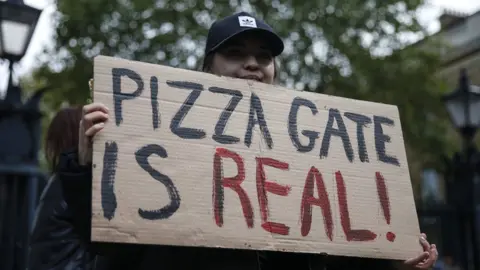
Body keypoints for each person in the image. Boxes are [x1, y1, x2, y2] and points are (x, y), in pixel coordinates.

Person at [30, 12, 438, 270]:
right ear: (207, 67)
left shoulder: (306, 147)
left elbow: (326, 253)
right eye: (236, 53)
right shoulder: (148, 134)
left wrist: (392, 264)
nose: (252, 64)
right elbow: (110, 247)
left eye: (264, 56)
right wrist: (84, 168)